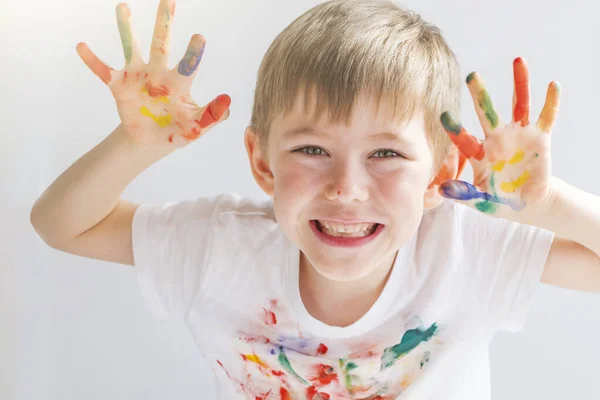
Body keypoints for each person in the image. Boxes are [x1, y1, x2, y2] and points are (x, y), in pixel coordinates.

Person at [30, 0, 600, 398]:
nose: (346, 188)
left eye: (386, 155)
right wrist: (133, 147)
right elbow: (62, 225)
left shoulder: (466, 249)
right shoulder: (221, 247)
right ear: (262, 162)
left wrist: (545, 203)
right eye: (311, 148)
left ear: (440, 174)